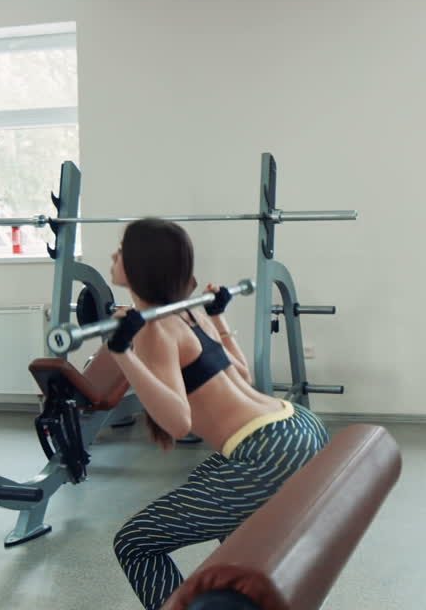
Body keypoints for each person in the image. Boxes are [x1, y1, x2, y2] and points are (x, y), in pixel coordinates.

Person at [82, 218, 329, 610]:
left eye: (121, 250)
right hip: (297, 424)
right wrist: (219, 315)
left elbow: (177, 423)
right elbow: (243, 375)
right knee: (211, 486)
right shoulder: (190, 311)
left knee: (135, 542)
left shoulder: (155, 328)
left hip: (267, 452)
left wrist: (123, 351)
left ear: (141, 264)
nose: (114, 256)